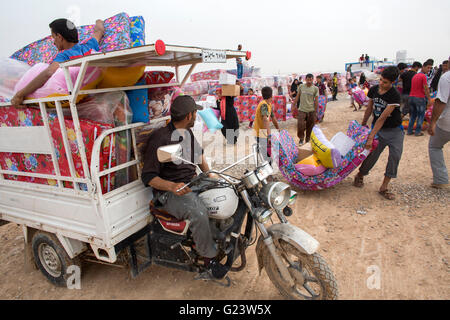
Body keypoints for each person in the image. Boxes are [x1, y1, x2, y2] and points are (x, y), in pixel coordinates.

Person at [142, 95, 229, 279]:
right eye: (196, 112)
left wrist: (211, 176)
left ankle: (222, 236)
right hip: (168, 193)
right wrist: (172, 186)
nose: (197, 115)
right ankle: (209, 260)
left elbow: (199, 157)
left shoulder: (186, 133)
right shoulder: (160, 138)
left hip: (192, 182)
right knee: (198, 212)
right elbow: (148, 177)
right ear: (190, 115)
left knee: (226, 189)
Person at [11, 18, 105, 106]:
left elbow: (48, 73)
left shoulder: (64, 55)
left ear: (59, 37)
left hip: (71, 93)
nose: (54, 42)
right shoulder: (90, 45)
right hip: (91, 89)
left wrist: (20, 94)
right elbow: (99, 30)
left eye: (53, 37)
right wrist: (99, 21)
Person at [353, 66, 403, 200]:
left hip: (395, 131)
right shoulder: (374, 90)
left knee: (395, 156)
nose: (381, 83)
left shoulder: (394, 95)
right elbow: (369, 108)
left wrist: (371, 136)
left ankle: (384, 187)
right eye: (381, 80)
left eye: (385, 82)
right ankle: (360, 175)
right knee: (372, 155)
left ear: (392, 82)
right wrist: (363, 123)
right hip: (378, 129)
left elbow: (382, 118)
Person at [428, 56, 450, 189]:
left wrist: (433, 122)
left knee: (435, 146)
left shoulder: (447, 77)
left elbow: (441, 101)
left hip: (447, 122)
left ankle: (440, 179)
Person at [253, 87, 280, 163]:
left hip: (262, 131)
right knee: (267, 154)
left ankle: (268, 168)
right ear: (271, 96)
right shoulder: (264, 105)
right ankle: (268, 171)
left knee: (268, 151)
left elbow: (273, 117)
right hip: (260, 132)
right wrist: (269, 136)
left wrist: (278, 129)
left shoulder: (268, 104)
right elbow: (265, 120)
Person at [407, 60, 433, 136]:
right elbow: (425, 88)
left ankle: (409, 131)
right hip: (419, 98)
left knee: (413, 115)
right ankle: (417, 132)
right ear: (423, 67)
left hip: (411, 97)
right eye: (428, 68)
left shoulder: (415, 75)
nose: (429, 70)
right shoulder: (423, 76)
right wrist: (429, 99)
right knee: (421, 115)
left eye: (430, 68)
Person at [292, 74, 319, 145]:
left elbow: (316, 100)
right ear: (305, 79)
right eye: (308, 79)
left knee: (310, 126)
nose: (309, 81)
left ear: (313, 79)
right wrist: (293, 105)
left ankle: (307, 140)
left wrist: (315, 112)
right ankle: (301, 138)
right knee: (300, 125)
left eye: (310, 79)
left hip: (311, 110)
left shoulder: (315, 88)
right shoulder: (301, 86)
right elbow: (297, 96)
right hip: (302, 109)